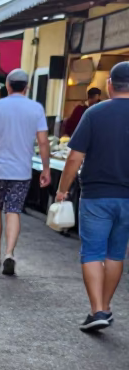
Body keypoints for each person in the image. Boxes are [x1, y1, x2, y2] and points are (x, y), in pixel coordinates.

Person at [55, 61, 129, 331]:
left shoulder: (94, 113)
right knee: (116, 254)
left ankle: (97, 309)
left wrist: (62, 188)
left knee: (92, 252)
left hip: (96, 195)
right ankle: (105, 308)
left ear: (109, 84)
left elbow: (74, 156)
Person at [0, 68, 51, 275]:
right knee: (13, 210)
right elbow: (42, 141)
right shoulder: (36, 108)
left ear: (7, 86)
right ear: (27, 87)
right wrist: (46, 168)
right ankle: (9, 252)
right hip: (21, 170)